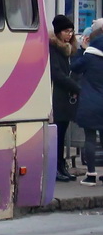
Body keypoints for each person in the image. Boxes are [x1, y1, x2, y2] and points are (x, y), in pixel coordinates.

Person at [71, 26, 103, 185]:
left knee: (90, 138)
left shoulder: (89, 57)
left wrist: (81, 50)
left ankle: (91, 175)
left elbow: (74, 67)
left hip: (90, 103)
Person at [49, 15, 80, 181]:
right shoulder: (54, 49)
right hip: (57, 97)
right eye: (66, 31)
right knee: (58, 135)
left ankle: (61, 165)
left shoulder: (67, 49)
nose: (69, 34)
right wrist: (75, 87)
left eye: (71, 31)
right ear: (58, 32)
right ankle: (56, 167)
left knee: (62, 133)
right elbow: (57, 74)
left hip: (65, 98)